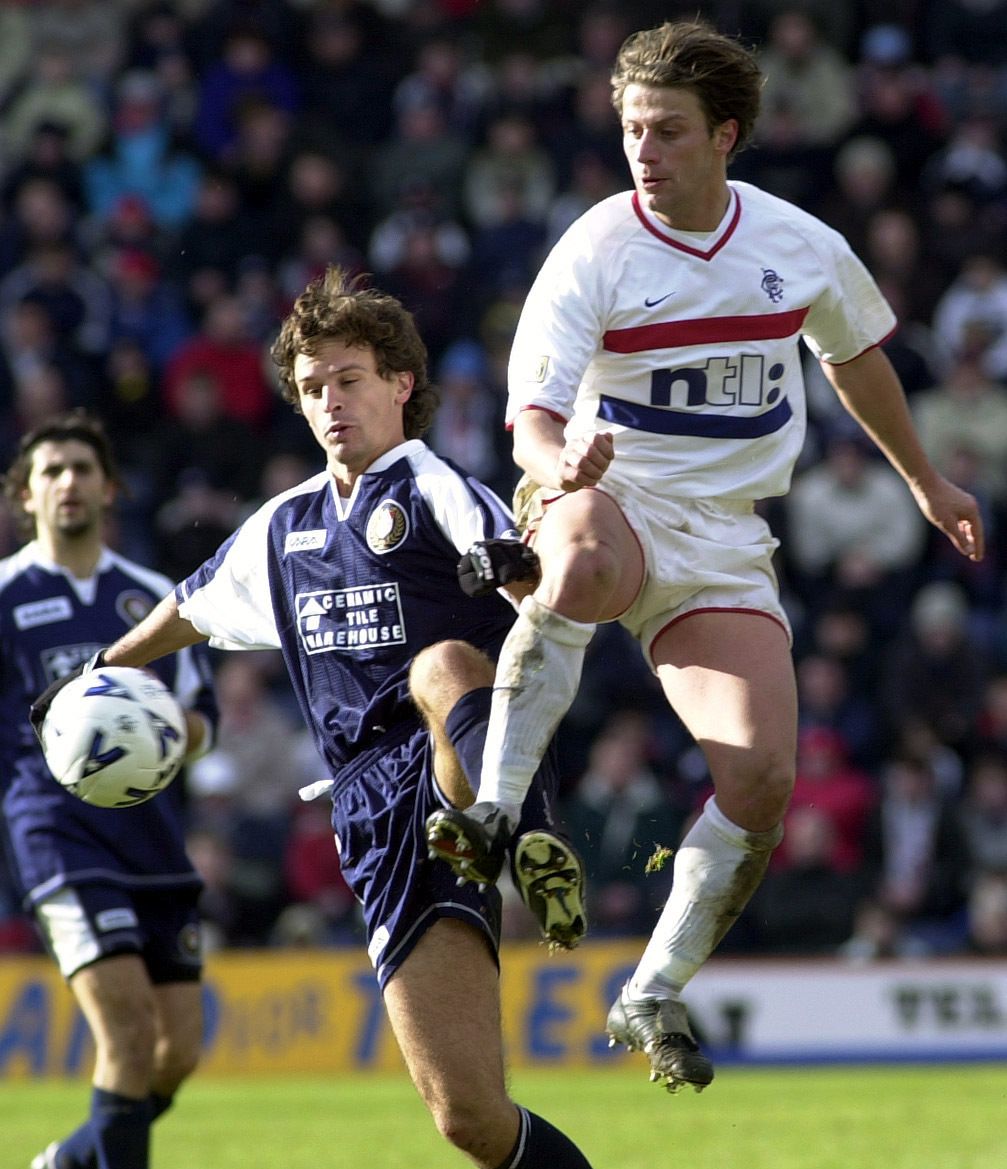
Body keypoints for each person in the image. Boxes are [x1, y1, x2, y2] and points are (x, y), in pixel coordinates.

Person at [426, 17, 985, 1095]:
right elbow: (528, 421)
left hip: (727, 538)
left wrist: (923, 478)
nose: (644, 149)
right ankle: (493, 809)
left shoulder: (794, 243)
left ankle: (648, 989)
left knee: (762, 776)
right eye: (633, 127)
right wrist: (564, 455)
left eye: (667, 130)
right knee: (578, 559)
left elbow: (855, 356)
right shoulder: (590, 247)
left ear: (723, 135)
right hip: (609, 500)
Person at [32, 268, 592, 1169]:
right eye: (312, 388)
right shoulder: (281, 526)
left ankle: (520, 834)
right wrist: (102, 668)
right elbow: (189, 605)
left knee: (439, 666)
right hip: (366, 809)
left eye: (350, 378)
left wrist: (518, 569)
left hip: (461, 750)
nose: (332, 402)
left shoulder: (430, 482)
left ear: (400, 385)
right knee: (471, 1120)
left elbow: (535, 588)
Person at [0, 411, 217, 1169]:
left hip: (150, 834)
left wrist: (159, 726)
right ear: (23, 496)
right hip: (53, 831)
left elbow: (204, 720)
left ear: (110, 487)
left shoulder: (152, 595)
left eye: (81, 469)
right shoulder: (5, 594)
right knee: (124, 1034)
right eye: (49, 472)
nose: (67, 482)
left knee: (176, 1047)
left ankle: (68, 1161)